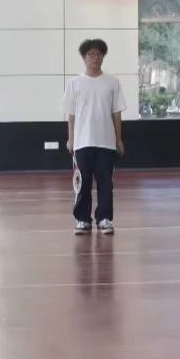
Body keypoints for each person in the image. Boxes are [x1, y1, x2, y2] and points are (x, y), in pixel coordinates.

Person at [63, 38, 126, 236]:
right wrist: (71, 139)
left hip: (106, 142)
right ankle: (82, 220)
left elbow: (117, 114)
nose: (95, 57)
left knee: (106, 183)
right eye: (90, 54)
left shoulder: (112, 82)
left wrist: (118, 139)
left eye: (98, 54)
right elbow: (71, 115)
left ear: (103, 57)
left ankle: (105, 219)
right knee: (82, 183)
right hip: (82, 142)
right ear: (84, 57)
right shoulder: (74, 83)